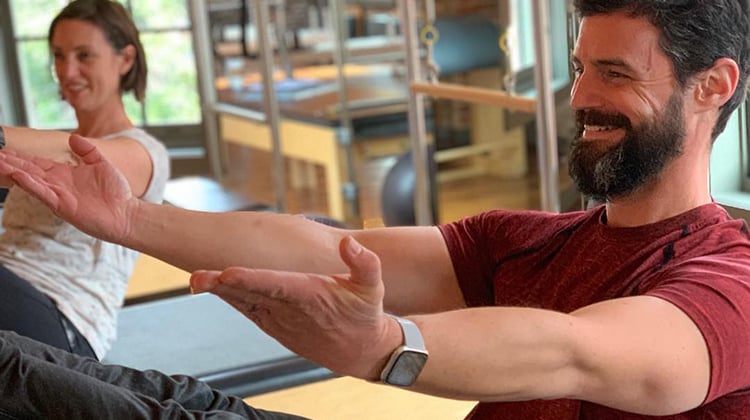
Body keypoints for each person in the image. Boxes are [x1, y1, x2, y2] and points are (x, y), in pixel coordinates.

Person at [0, 0, 747, 418]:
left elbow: (585, 353)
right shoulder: (526, 242)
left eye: (614, 74)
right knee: (129, 392)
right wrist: (131, 220)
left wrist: (388, 348)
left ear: (712, 86)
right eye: (581, 68)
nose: (581, 96)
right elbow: (321, 249)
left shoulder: (732, 274)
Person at [0, 0, 169, 360]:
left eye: (84, 56)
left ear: (125, 59)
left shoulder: (143, 152)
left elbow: (76, 157)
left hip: (66, 321)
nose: (68, 70)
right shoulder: (49, 143)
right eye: (59, 56)